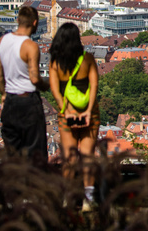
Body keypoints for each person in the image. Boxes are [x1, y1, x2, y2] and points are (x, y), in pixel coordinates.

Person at [48, 22, 100, 210]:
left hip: (66, 116)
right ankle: (88, 199)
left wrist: (65, 110)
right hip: (90, 114)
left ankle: (67, 198)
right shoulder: (87, 59)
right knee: (87, 156)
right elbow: (94, 85)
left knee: (69, 158)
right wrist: (88, 110)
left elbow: (55, 89)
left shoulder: (55, 63)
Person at [0, 5, 50, 164]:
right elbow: (34, 78)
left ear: (18, 20)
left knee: (13, 154)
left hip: (11, 101)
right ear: (35, 23)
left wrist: (3, 93)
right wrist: (46, 85)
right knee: (35, 154)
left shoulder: (3, 40)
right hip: (28, 102)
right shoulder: (30, 46)